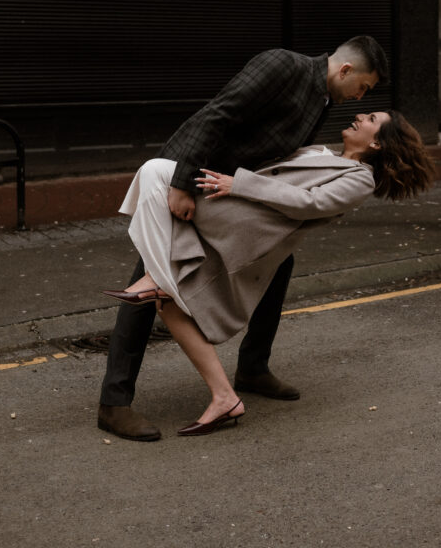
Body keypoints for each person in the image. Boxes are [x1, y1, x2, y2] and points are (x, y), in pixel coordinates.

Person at [98, 35, 389, 441]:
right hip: (199, 181)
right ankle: (114, 403)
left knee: (278, 264)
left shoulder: (323, 99)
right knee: (151, 282)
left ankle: (252, 367)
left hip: (234, 198)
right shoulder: (282, 66)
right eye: (363, 87)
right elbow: (217, 115)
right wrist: (182, 182)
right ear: (345, 70)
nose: (359, 97)